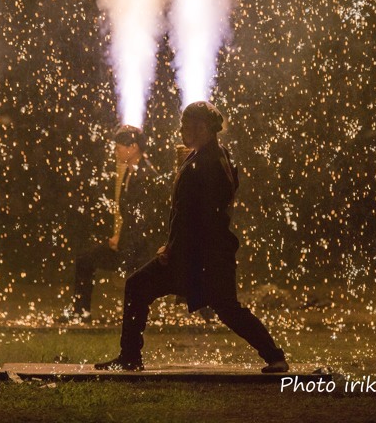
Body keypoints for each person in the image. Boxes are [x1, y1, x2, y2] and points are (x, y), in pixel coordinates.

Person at [95, 101, 289, 372]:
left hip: (197, 255)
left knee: (139, 286)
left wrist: (171, 250)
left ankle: (130, 357)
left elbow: (191, 214)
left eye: (187, 124)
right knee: (228, 309)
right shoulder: (218, 155)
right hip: (209, 253)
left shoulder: (205, 162)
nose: (182, 129)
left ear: (202, 127)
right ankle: (274, 356)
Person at [64, 125, 162, 324]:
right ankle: (80, 312)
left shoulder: (144, 175)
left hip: (140, 247)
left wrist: (122, 242)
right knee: (85, 259)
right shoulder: (132, 172)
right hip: (131, 242)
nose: (116, 151)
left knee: (88, 261)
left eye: (119, 147)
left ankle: (85, 313)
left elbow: (140, 221)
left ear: (133, 147)